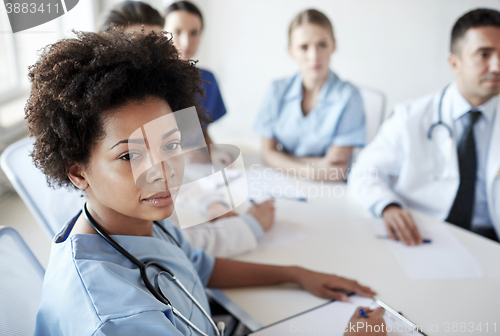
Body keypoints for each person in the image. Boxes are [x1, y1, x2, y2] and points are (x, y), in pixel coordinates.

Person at [30, 30, 385, 335]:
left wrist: (297, 273)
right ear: (77, 172)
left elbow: (193, 264)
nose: (163, 170)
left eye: (170, 144)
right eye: (128, 156)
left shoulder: (134, 219)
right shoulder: (116, 319)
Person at [98, 0, 275, 258]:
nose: (152, 63)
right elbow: (167, 248)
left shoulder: (157, 105)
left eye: (157, 48)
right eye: (137, 52)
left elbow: (176, 169)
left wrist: (212, 204)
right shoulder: (110, 136)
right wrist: (251, 226)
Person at [348, 8, 500, 245]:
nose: (496, 66)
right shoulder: (410, 117)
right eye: (484, 54)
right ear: (455, 63)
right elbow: (363, 172)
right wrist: (388, 206)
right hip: (425, 233)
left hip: (490, 242)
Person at [254, 9, 366, 182]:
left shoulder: (349, 97)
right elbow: (266, 152)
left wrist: (281, 156)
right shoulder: (276, 90)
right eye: (303, 47)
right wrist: (314, 169)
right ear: (291, 51)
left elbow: (336, 169)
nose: (314, 56)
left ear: (333, 45)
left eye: (322, 44)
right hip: (282, 182)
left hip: (330, 192)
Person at [163, 0, 226, 147]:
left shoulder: (207, 80)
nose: (186, 42)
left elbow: (202, 133)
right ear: (161, 33)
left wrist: (215, 154)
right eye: (177, 32)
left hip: (196, 164)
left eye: (194, 33)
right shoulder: (147, 79)